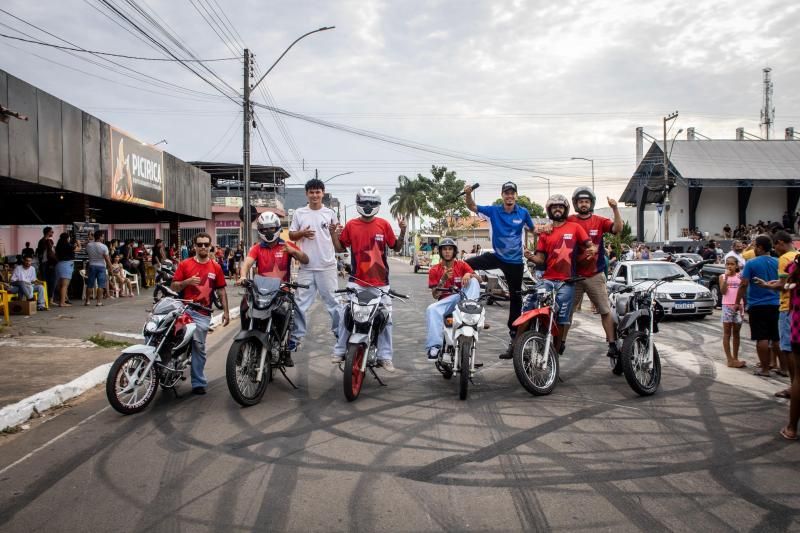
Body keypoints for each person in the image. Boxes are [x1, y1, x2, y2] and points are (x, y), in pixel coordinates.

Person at [330, 186, 407, 371]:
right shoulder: (351, 225)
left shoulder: (384, 224)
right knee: (345, 315)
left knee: (386, 319)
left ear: (378, 204)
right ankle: (340, 350)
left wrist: (403, 231)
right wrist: (333, 233)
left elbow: (396, 247)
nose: (367, 206)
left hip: (381, 284)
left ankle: (385, 356)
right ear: (358, 203)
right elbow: (340, 248)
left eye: (371, 203)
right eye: (364, 202)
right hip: (356, 282)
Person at [463, 181, 534, 358]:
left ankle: (514, 339)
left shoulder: (523, 212)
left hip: (516, 262)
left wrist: (535, 251)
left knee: (516, 298)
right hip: (497, 256)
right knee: (467, 264)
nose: (509, 196)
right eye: (506, 193)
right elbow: (472, 206)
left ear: (515, 195)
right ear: (502, 195)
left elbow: (535, 230)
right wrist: (468, 193)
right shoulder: (493, 211)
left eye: (512, 193)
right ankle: (464, 306)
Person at [526, 194, 595, 353]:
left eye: (561, 206)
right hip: (547, 279)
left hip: (567, 281)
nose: (557, 209)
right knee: (530, 305)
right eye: (554, 207)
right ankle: (516, 344)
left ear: (565, 209)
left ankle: (556, 351)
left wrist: (591, 251)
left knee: (563, 317)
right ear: (549, 210)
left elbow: (590, 246)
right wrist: (529, 256)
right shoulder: (545, 232)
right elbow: (541, 260)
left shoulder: (575, 227)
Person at [238, 212, 309, 366]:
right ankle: (244, 339)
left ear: (277, 228)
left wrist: (294, 252)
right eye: (265, 229)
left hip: (282, 292)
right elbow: (247, 263)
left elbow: (305, 259)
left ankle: (286, 349)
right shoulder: (256, 248)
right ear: (260, 230)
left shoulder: (286, 245)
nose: (269, 232)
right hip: (260, 292)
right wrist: (243, 276)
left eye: (271, 228)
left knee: (289, 314)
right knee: (244, 305)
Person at [566, 187, 623, 357]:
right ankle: (559, 344)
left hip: (595, 274)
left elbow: (617, 228)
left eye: (587, 201)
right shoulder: (569, 220)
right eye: (581, 201)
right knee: (566, 314)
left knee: (605, 311)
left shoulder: (599, 220)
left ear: (591, 203)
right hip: (574, 276)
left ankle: (612, 344)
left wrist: (615, 208)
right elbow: (554, 227)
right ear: (576, 203)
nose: (584, 204)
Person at [171, 232, 230, 395]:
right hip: (183, 309)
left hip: (202, 313)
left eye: (206, 244)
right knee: (167, 335)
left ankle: (198, 382)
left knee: (198, 345)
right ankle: (163, 370)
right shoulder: (184, 264)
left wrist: (226, 312)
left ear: (210, 246)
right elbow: (174, 286)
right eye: (200, 244)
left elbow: (221, 291)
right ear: (194, 246)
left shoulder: (216, 267)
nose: (203, 247)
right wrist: (186, 282)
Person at [288, 178, 341, 349]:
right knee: (300, 305)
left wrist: (336, 233)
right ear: (307, 194)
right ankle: (296, 338)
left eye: (318, 192)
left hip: (327, 267)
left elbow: (336, 239)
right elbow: (291, 236)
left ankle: (340, 335)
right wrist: (302, 233)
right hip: (306, 267)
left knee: (334, 303)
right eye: (311, 192)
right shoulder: (299, 213)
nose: (315, 195)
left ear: (322, 193)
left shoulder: (330, 213)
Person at [754, 231, 797, 396]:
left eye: (775, 246)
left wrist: (767, 285)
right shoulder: (797, 255)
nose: (775, 249)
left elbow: (783, 286)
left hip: (787, 307)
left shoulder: (784, 259)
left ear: (780, 243)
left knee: (788, 349)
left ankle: (794, 387)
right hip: (796, 307)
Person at [424, 237, 480, 360]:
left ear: (454, 252)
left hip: (463, 300)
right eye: (444, 249)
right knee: (431, 309)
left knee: (474, 280)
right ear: (440, 252)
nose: (447, 252)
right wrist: (443, 280)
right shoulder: (434, 270)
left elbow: (479, 280)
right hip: (446, 302)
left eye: (450, 249)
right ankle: (434, 347)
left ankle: (471, 309)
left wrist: (469, 274)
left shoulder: (462, 265)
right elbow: (435, 295)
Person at [736, 235, 780, 377]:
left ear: (760, 248)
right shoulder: (778, 261)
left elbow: (743, 284)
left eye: (755, 246)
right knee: (776, 337)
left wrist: (737, 302)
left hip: (758, 304)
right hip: (776, 303)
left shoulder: (752, 263)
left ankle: (765, 369)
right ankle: (784, 368)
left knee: (762, 337)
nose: (753, 248)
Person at [780, 254, 800, 440]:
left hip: (798, 326)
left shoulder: (795, 265)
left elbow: (785, 285)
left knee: (798, 379)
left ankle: (792, 427)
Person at [720, 256, 746, 368]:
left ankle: (735, 358)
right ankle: (729, 359)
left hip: (739, 306)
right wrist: (726, 278)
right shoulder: (722, 276)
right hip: (727, 306)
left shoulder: (740, 276)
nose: (729, 266)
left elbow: (744, 289)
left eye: (732, 264)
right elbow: (723, 291)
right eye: (727, 264)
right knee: (727, 332)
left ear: (736, 265)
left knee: (736, 333)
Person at [84, 230, 112, 307]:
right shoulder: (104, 246)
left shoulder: (89, 245)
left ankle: (87, 301)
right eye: (103, 236)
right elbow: (107, 259)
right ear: (100, 237)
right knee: (100, 285)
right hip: (101, 267)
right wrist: (110, 267)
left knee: (90, 284)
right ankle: (99, 302)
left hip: (91, 265)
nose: (103, 238)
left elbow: (87, 252)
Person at [54, 232, 80, 307]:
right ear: (67, 238)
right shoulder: (68, 245)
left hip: (59, 265)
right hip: (66, 265)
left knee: (60, 285)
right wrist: (79, 244)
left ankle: (64, 300)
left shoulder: (59, 246)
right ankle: (62, 302)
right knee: (65, 285)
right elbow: (78, 249)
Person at [36, 226, 56, 300]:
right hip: (46, 263)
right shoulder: (43, 241)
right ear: (48, 232)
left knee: (50, 280)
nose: (53, 233)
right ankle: (46, 298)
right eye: (52, 231)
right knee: (46, 280)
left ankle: (49, 297)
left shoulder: (49, 241)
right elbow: (44, 254)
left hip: (48, 263)